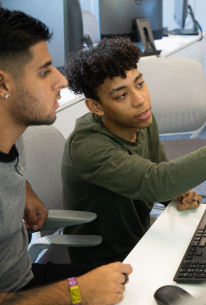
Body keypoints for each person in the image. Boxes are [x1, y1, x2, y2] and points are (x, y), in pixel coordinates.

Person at [61, 37, 206, 268]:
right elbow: (158, 181)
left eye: (139, 84)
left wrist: (174, 193)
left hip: (142, 241)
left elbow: (159, 174)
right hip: (107, 266)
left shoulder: (142, 121)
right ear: (96, 106)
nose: (140, 100)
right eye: (122, 95)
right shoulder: (88, 146)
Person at [0, 8, 132, 304]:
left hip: (25, 277)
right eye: (45, 71)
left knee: (137, 285)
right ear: (3, 84)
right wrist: (77, 293)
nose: (61, 80)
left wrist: (25, 190)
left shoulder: (11, 133)